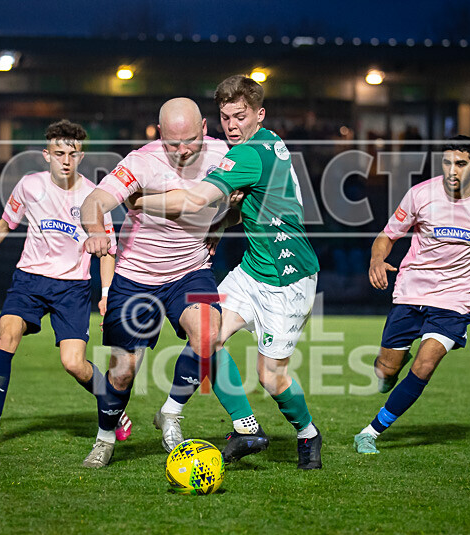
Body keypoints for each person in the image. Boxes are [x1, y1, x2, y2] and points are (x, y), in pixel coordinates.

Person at [129, 76, 324, 470]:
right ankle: (230, 424)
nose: (231, 125)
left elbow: (196, 200)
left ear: (259, 114)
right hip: (254, 269)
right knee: (208, 333)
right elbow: (257, 202)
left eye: (240, 116)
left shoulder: (247, 155)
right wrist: (225, 221)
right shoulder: (271, 141)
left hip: (290, 278)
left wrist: (138, 200)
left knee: (271, 377)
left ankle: (307, 433)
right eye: (225, 117)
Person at [78, 97, 267, 468]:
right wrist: (95, 230)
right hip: (135, 277)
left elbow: (240, 211)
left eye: (191, 141)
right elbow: (94, 201)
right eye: (172, 143)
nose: (182, 151)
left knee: (209, 332)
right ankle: (104, 439)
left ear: (205, 130)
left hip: (189, 271)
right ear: (159, 133)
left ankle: (171, 411)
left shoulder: (226, 155)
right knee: (122, 371)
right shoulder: (141, 161)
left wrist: (221, 224)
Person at [0, 119, 132, 461]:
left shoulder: (94, 197)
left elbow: (108, 248)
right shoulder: (29, 186)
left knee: (73, 363)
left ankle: (112, 405)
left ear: (81, 156)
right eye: (59, 152)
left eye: (73, 153)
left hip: (72, 288)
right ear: (46, 154)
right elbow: (4, 224)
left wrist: (106, 291)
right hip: (29, 281)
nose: (66, 160)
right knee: (5, 335)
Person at [354, 135, 470, 455]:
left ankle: (370, 432)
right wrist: (377, 259)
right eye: (446, 162)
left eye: (460, 164)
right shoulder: (420, 194)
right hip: (411, 290)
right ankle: (390, 370)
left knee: (425, 365)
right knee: (386, 369)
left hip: (454, 299)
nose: (451, 170)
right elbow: (387, 236)